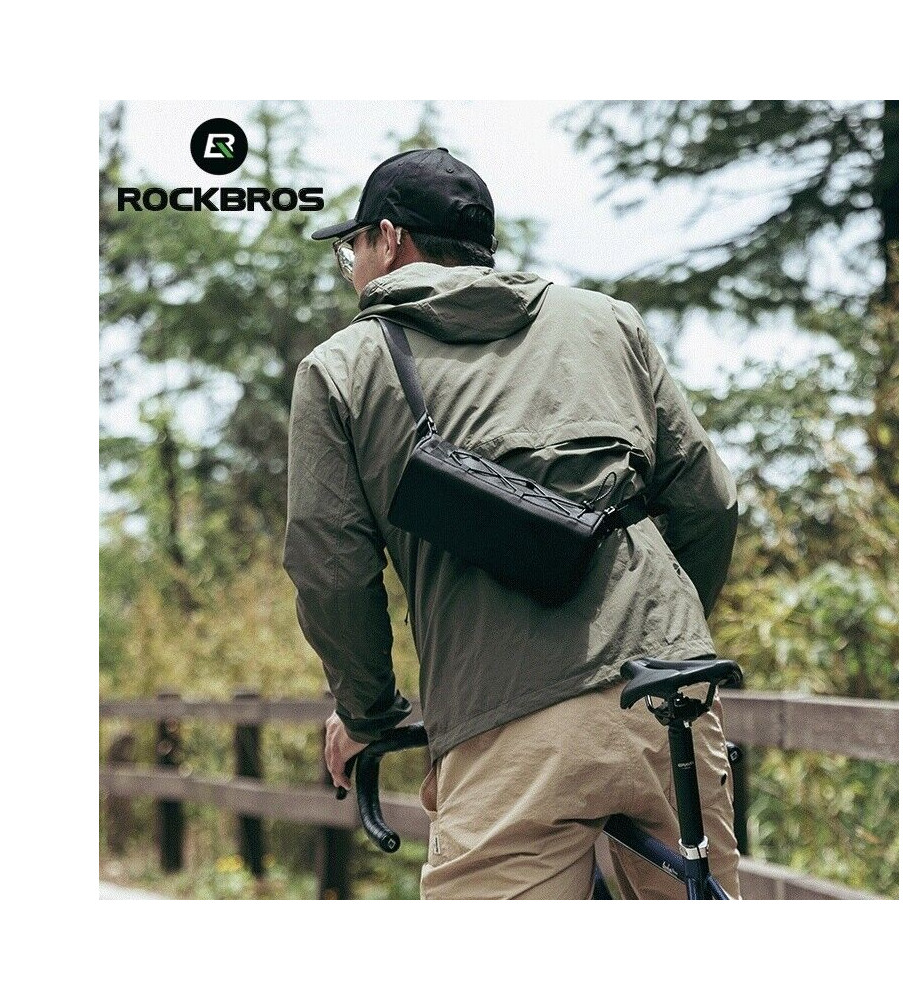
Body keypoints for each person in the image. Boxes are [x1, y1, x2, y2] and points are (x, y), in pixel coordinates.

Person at [282, 147, 741, 899]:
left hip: (507, 727)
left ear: (389, 240)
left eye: (351, 247)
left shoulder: (343, 368)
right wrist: (660, 641)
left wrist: (367, 713)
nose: (351, 266)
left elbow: (330, 570)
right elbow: (710, 502)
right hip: (669, 701)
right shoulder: (607, 323)